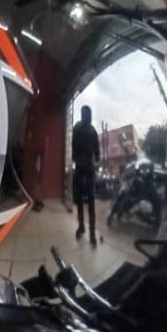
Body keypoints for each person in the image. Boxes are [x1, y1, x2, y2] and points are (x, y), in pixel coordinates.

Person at [72, 104, 101, 244]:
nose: (86, 117)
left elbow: (97, 150)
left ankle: (91, 231)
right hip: (81, 166)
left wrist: (96, 161)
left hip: (87, 166)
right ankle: (82, 226)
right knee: (80, 198)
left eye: (87, 114)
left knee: (90, 198)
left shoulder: (92, 131)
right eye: (84, 114)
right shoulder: (78, 128)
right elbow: (73, 145)